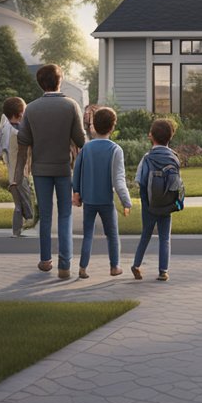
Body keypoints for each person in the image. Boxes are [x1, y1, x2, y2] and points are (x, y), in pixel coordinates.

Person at [12, 64, 86, 279]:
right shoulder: (71, 106)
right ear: (59, 81)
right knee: (65, 215)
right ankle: (65, 265)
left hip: (40, 170)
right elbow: (81, 140)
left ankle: (45, 261)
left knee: (45, 216)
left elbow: (23, 142)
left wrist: (18, 175)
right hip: (63, 168)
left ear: (40, 83)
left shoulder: (32, 109)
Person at [72, 107, 132, 278]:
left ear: (94, 126)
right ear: (112, 127)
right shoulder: (115, 150)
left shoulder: (86, 148)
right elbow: (118, 181)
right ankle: (115, 267)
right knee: (112, 234)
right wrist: (126, 201)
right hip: (106, 201)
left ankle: (83, 268)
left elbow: (76, 172)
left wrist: (76, 192)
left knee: (88, 235)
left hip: (89, 200)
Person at [132, 118, 180, 282]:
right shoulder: (174, 158)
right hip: (167, 205)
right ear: (170, 137)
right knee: (165, 237)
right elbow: (176, 184)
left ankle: (137, 264)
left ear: (151, 136)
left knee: (145, 234)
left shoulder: (147, 158)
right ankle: (163, 271)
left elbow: (140, 180)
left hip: (149, 205)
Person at [0, 97, 33, 237]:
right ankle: (20, 229)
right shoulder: (16, 133)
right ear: (20, 114)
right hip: (19, 176)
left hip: (12, 175)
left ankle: (17, 231)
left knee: (18, 205)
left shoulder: (5, 129)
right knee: (24, 205)